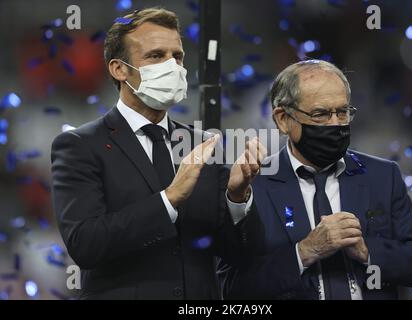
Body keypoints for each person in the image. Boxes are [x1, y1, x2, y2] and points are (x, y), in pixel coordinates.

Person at [51, 8, 265, 299]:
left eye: (177, 56)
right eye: (156, 56)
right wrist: (169, 199)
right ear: (119, 69)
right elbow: (86, 245)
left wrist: (237, 198)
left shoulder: (203, 144)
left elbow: (238, 256)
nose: (172, 66)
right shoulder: (79, 145)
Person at [220, 59, 412, 300]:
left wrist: (367, 251)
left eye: (342, 112)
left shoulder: (383, 176)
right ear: (283, 119)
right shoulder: (254, 185)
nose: (335, 124)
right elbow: (232, 288)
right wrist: (305, 252)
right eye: (321, 114)